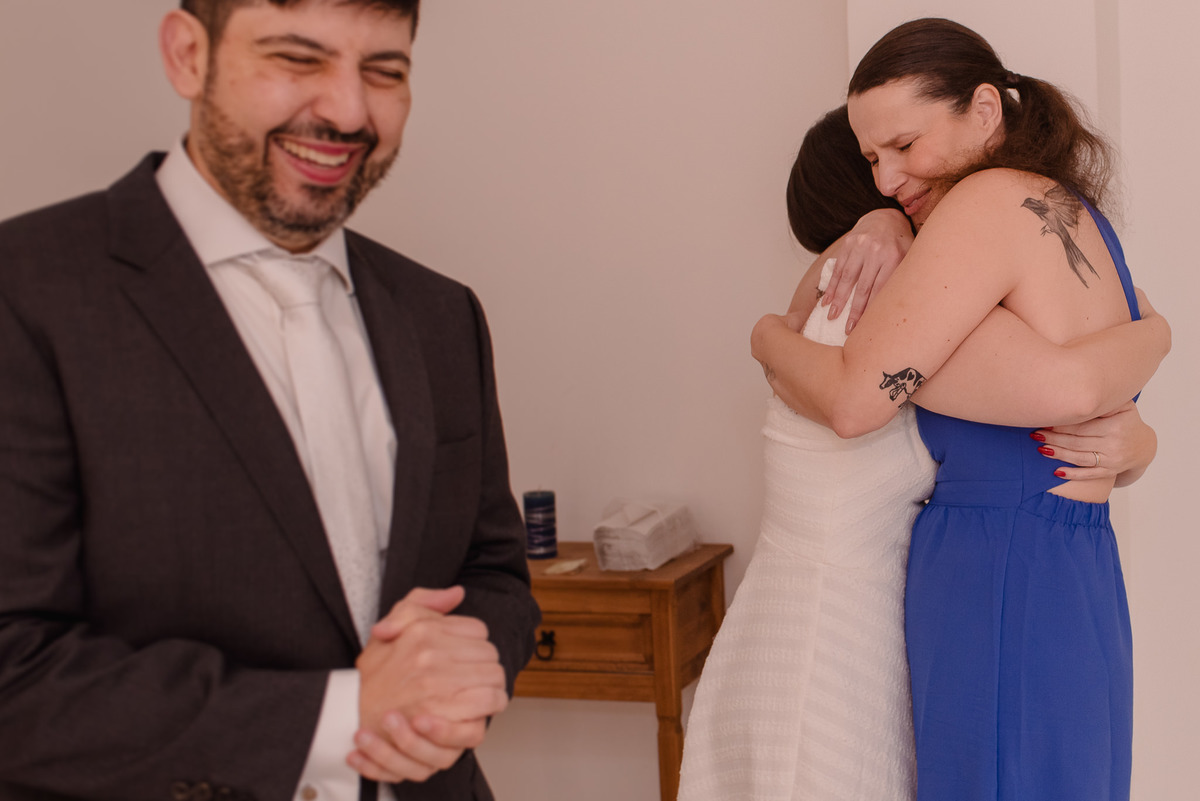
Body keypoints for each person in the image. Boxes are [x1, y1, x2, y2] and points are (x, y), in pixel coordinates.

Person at [0, 2, 539, 800]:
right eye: (298, 58)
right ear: (188, 55)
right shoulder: (24, 291)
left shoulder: (442, 313)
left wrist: (460, 670)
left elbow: (494, 572)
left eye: (384, 70)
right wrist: (344, 716)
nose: (348, 111)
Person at [678, 104, 1162, 801]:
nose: (899, 180)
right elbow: (1064, 386)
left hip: (837, 623)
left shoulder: (856, 309)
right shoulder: (873, 311)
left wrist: (1138, 443)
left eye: (902, 154)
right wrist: (1157, 334)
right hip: (829, 638)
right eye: (878, 165)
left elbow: (1044, 409)